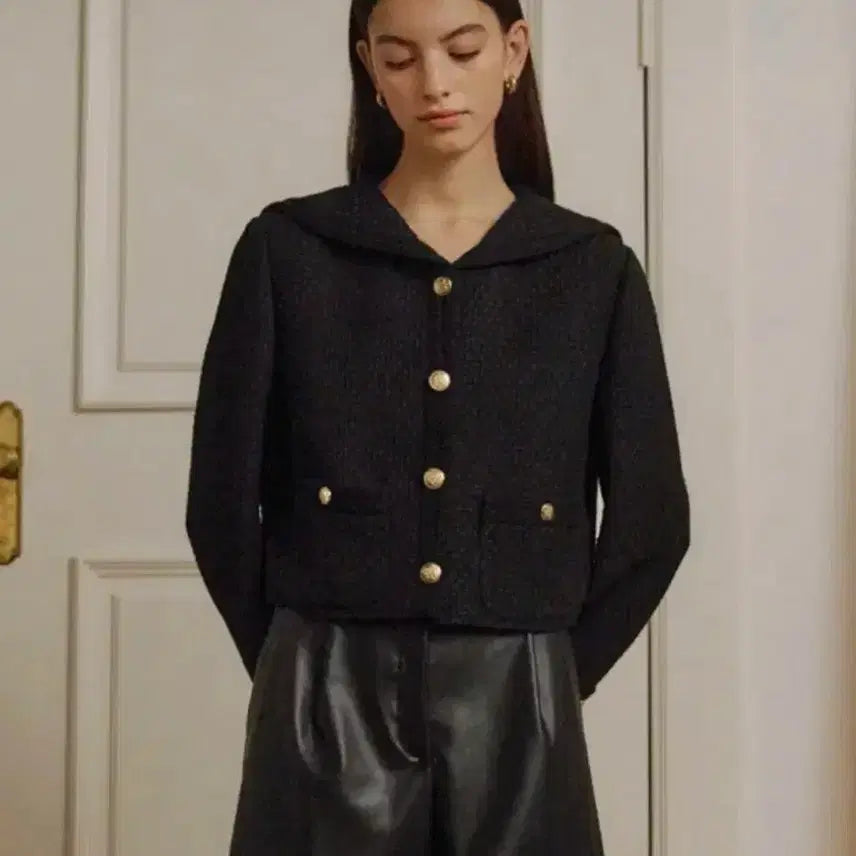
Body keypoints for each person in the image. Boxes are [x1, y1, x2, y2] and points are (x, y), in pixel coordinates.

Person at [185, 0, 691, 853]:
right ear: (369, 69)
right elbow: (220, 505)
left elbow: (653, 522)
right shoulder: (287, 251)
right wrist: (292, 668)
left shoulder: (591, 269)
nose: (434, 83)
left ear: (514, 52)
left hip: (518, 688)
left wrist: (549, 677)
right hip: (323, 682)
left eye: (462, 50)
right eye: (400, 58)